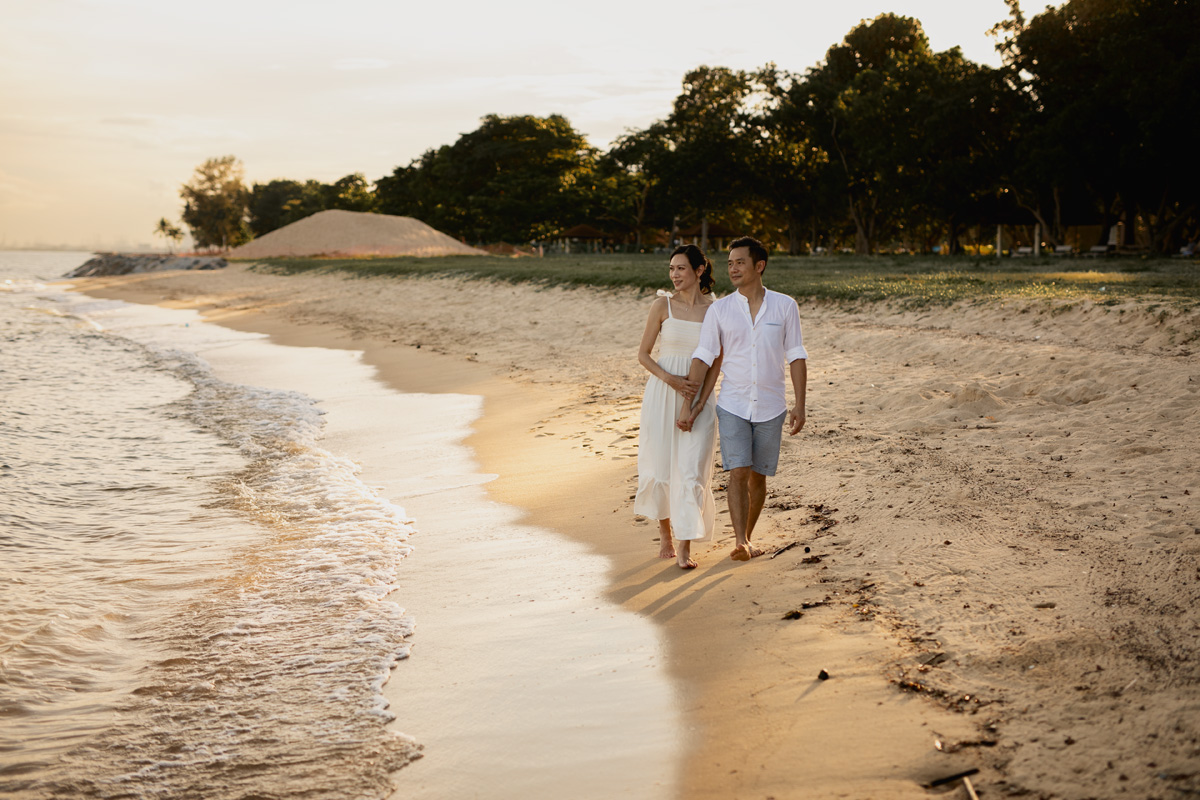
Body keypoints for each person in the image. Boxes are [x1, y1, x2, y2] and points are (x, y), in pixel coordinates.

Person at [677, 236, 807, 561]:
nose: (733, 269)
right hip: (733, 403)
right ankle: (740, 542)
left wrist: (800, 405)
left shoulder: (785, 306)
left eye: (740, 262)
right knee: (738, 471)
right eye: (730, 263)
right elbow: (704, 355)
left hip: (772, 406)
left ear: (759, 266)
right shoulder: (719, 310)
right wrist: (689, 403)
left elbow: (796, 355)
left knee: (758, 476)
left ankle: (747, 536)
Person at [633, 245, 723, 569]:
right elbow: (643, 355)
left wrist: (700, 401)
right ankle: (666, 535)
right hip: (662, 393)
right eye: (671, 268)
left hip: (699, 398)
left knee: (692, 469)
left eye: (681, 268)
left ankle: (685, 543)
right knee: (661, 465)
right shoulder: (662, 305)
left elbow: (716, 362)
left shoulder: (715, 310)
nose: (674, 274)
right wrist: (671, 380)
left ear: (699, 271)